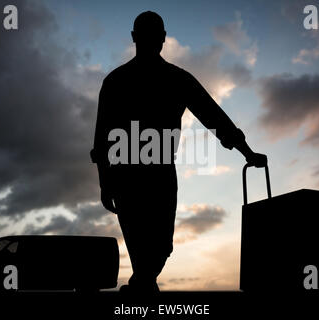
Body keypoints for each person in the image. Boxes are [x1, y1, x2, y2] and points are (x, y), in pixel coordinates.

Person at [91, 11, 267, 293]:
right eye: (146, 36)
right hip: (127, 174)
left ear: (162, 39)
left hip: (158, 172)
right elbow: (102, 140)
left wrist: (247, 152)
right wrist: (105, 181)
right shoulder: (116, 81)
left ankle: (140, 285)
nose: (150, 41)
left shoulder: (176, 79)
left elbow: (214, 117)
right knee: (140, 247)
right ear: (137, 38)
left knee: (162, 245)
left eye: (154, 36)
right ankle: (143, 289)